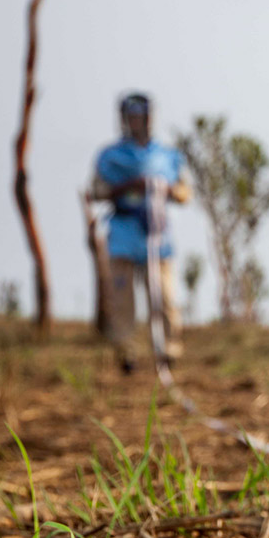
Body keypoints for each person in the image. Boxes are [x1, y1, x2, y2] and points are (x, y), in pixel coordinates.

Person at [91, 92, 191, 373]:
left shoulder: (167, 156)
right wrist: (126, 187)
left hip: (157, 238)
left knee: (165, 298)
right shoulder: (110, 156)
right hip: (123, 237)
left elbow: (185, 192)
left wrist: (166, 189)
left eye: (140, 115)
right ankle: (127, 354)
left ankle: (168, 351)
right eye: (130, 116)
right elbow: (96, 190)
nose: (136, 121)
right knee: (123, 302)